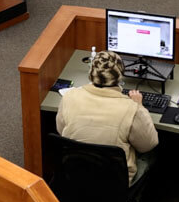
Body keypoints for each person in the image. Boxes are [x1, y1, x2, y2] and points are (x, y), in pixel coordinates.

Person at [56, 51, 158, 185]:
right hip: (114, 183)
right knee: (150, 155)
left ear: (91, 73)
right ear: (120, 77)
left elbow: (60, 130)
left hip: (75, 174)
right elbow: (148, 145)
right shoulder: (131, 108)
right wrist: (139, 105)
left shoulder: (70, 96)